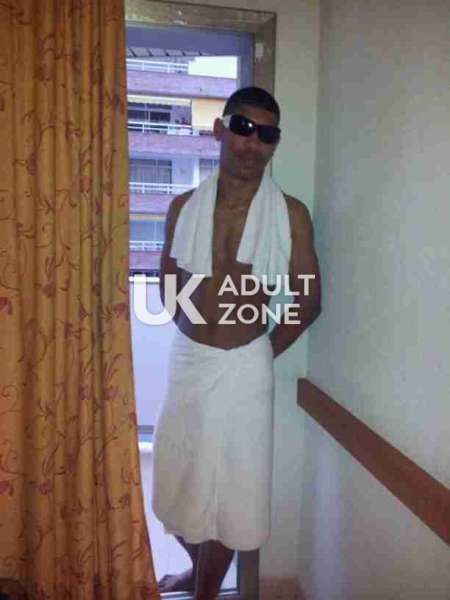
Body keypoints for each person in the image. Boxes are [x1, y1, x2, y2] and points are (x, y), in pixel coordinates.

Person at [151, 87, 321, 599]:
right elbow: (167, 275)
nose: (253, 143)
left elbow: (308, 300)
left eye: (266, 134)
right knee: (177, 478)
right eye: (243, 127)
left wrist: (258, 351)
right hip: (190, 360)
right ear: (219, 130)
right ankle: (197, 569)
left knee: (232, 494)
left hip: (247, 364)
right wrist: (191, 325)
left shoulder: (290, 214)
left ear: (275, 144)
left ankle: (204, 592)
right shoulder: (183, 207)